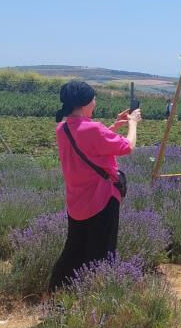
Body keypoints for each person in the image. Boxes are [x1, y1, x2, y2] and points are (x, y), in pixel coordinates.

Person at [48, 80, 141, 291]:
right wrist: (133, 124)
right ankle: (96, 298)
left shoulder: (62, 129)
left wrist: (114, 126)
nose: (95, 103)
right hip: (102, 200)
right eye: (93, 100)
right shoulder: (94, 129)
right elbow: (128, 147)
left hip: (76, 202)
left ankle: (56, 294)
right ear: (84, 104)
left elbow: (87, 142)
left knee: (73, 251)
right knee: (101, 254)